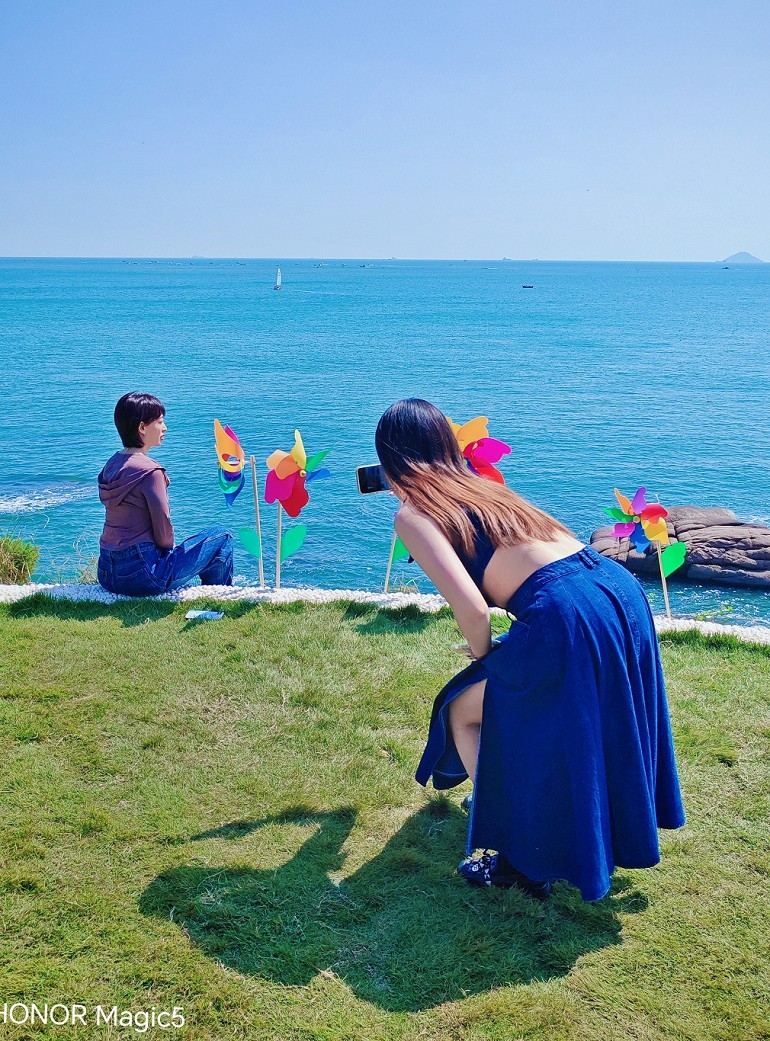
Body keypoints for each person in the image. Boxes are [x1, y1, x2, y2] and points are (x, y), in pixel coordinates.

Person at [375, 398, 685, 902]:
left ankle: (519, 853)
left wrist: (486, 656)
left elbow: (473, 611)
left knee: (462, 711)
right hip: (618, 594)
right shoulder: (483, 488)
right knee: (591, 717)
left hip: (566, 614)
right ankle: (578, 824)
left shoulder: (414, 514)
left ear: (390, 459)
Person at [97, 392, 234, 596]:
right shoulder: (151, 472)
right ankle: (218, 598)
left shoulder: (111, 464)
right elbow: (163, 535)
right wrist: (169, 554)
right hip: (142, 575)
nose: (165, 428)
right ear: (142, 427)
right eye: (160, 422)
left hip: (107, 573)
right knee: (222, 537)